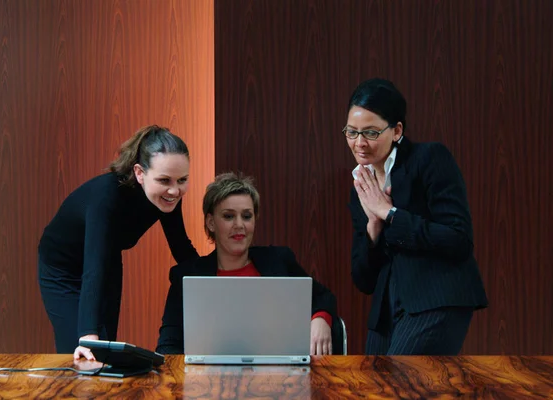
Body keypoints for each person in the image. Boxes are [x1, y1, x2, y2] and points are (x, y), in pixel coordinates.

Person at [344, 78, 488, 355]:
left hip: (436, 297)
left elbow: (459, 239)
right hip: (386, 311)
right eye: (351, 132)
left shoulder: (429, 158)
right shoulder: (360, 186)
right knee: (373, 392)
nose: (359, 143)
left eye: (371, 133)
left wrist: (389, 213)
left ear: (397, 130)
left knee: (403, 388)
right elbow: (363, 280)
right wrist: (373, 226)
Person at [38, 125, 199, 360]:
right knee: (84, 351)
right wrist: (88, 335)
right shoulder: (106, 197)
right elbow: (94, 268)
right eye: (164, 180)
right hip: (62, 268)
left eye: (182, 180)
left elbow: (181, 247)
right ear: (139, 173)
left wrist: (214, 281)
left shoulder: (167, 196)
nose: (174, 190)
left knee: (105, 352)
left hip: (106, 258)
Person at [156, 172, 337, 355]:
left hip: (278, 378)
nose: (239, 225)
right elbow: (168, 347)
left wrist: (320, 319)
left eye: (247, 216)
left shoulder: (280, 260)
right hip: (208, 380)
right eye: (228, 216)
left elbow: (323, 297)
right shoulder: (186, 277)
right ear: (211, 223)